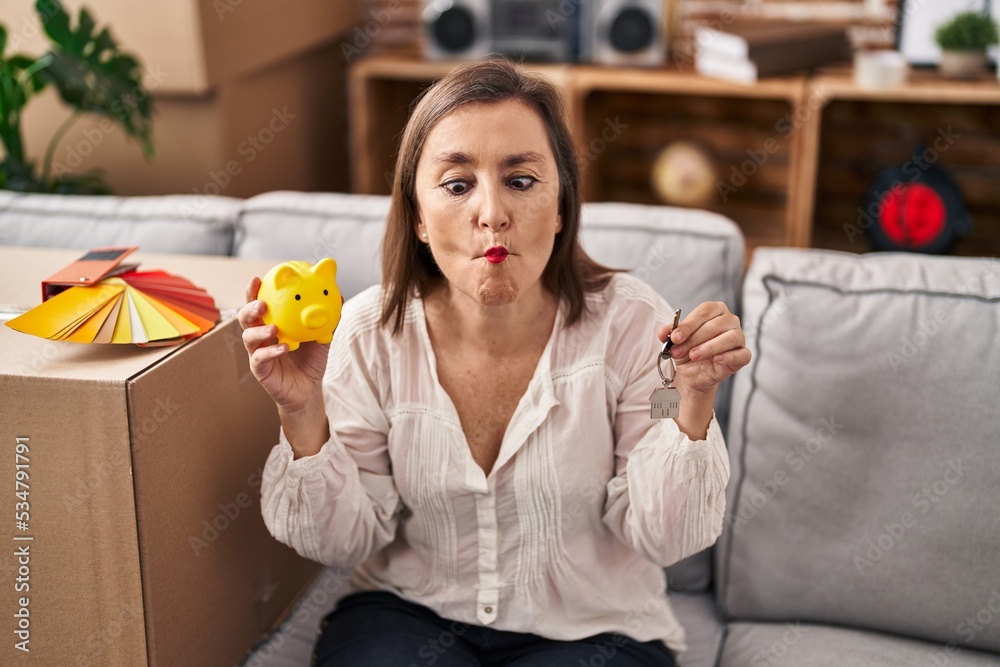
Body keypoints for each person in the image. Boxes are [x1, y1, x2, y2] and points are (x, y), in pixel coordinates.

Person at [238, 58, 750, 667]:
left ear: (561, 207)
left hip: (595, 631)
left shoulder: (637, 326)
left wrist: (691, 403)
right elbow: (342, 541)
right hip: (410, 615)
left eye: (522, 180)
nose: (492, 214)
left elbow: (665, 538)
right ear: (420, 219)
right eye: (457, 185)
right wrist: (303, 416)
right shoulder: (369, 332)